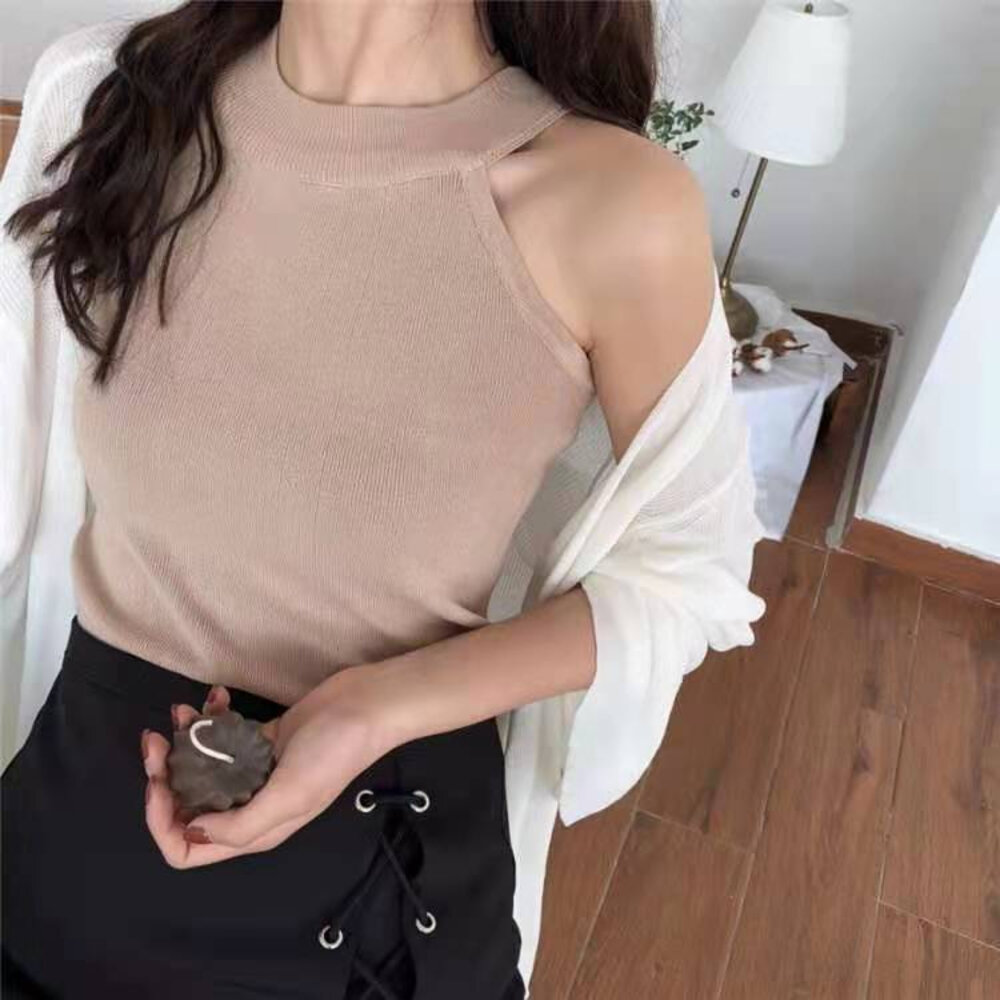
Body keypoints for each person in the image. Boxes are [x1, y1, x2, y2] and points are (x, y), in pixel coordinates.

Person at [0, 2, 766, 998]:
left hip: (373, 888)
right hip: (65, 847)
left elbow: (692, 574)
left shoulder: (609, 205)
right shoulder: (111, 101)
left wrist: (375, 707)